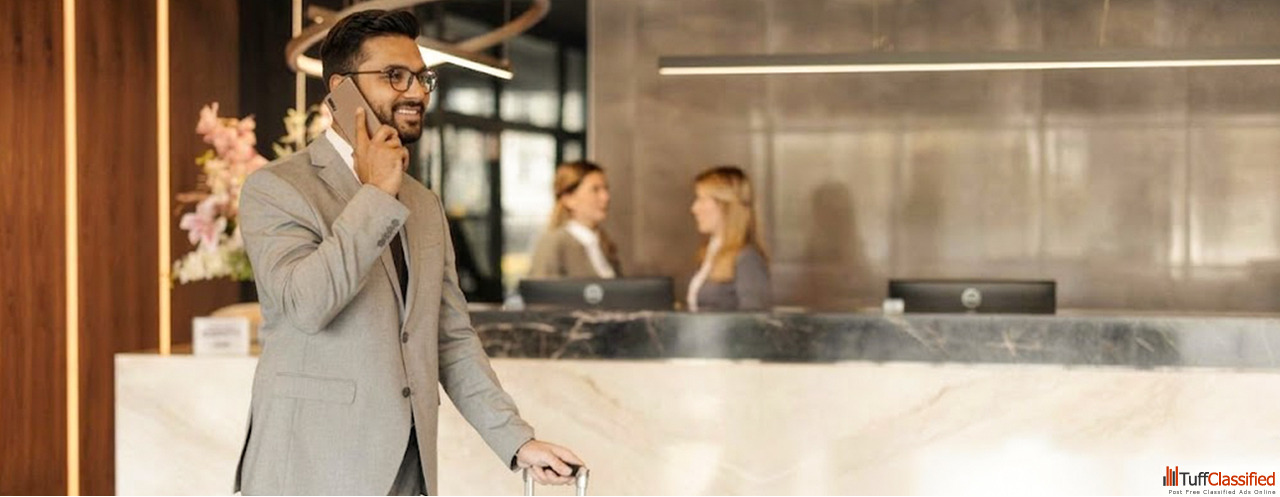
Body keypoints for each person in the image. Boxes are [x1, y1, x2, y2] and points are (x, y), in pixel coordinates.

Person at [234, 10, 582, 495]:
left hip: (409, 470)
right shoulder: (277, 189)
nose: (417, 91)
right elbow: (306, 305)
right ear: (341, 89)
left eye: (422, 78)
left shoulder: (424, 203)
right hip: (310, 471)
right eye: (395, 76)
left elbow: (451, 338)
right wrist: (376, 194)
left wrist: (517, 441)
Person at [687, 166, 772, 311]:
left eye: (702, 200)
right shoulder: (710, 253)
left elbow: (754, 317)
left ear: (726, 205)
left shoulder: (747, 258)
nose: (694, 208)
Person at [527, 161, 621, 279]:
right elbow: (542, 288)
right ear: (569, 199)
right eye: (595, 190)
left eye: (606, 189)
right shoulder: (553, 243)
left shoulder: (604, 244)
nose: (606, 197)